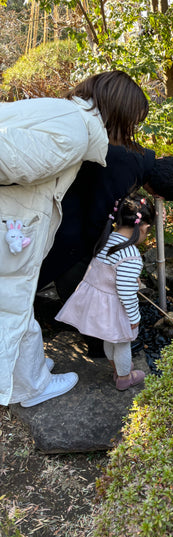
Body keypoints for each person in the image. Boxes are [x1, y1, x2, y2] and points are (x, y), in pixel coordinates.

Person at [0, 70, 149, 407]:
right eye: (132, 122)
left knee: (13, 303)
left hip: (13, 220)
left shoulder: (60, 110)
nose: (130, 132)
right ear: (120, 113)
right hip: (11, 226)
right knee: (12, 303)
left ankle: (26, 372)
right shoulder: (74, 133)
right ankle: (32, 386)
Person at [38, 147, 173, 301]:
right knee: (74, 258)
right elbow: (96, 222)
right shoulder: (126, 176)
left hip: (57, 191)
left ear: (161, 158)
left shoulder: (134, 153)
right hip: (59, 210)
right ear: (157, 194)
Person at [55, 194, 155, 391]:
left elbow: (110, 272)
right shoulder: (131, 255)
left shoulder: (108, 239)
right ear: (144, 227)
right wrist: (134, 316)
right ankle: (125, 377)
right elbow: (126, 292)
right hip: (115, 306)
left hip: (99, 303)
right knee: (123, 343)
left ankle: (116, 367)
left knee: (109, 339)